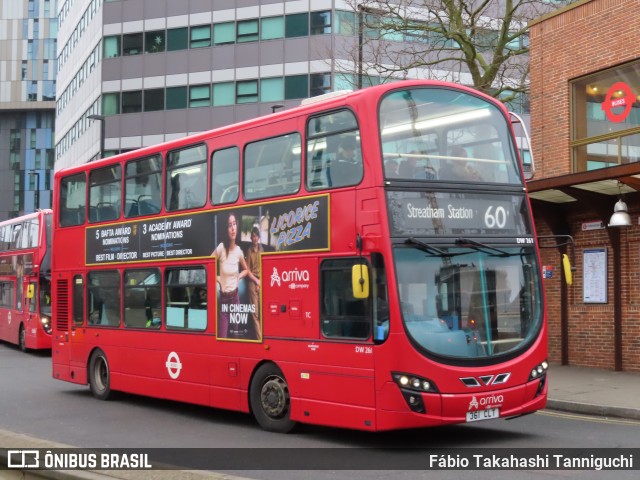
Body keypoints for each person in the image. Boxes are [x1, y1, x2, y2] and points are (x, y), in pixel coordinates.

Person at [211, 212, 258, 339]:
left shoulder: (238, 251)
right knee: (222, 336)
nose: (233, 228)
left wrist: (238, 276)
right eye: (229, 225)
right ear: (226, 229)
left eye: (234, 224)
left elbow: (246, 270)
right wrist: (218, 279)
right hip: (224, 301)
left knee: (235, 337)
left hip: (235, 299)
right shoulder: (221, 248)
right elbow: (207, 264)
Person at [245, 226, 263, 340]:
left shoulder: (262, 250)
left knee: (263, 310)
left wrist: (260, 281)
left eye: (256, 236)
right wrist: (256, 281)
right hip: (252, 281)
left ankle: (263, 336)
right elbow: (247, 270)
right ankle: (259, 338)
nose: (254, 238)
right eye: (253, 236)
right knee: (255, 312)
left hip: (261, 281)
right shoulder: (249, 250)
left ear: (258, 238)